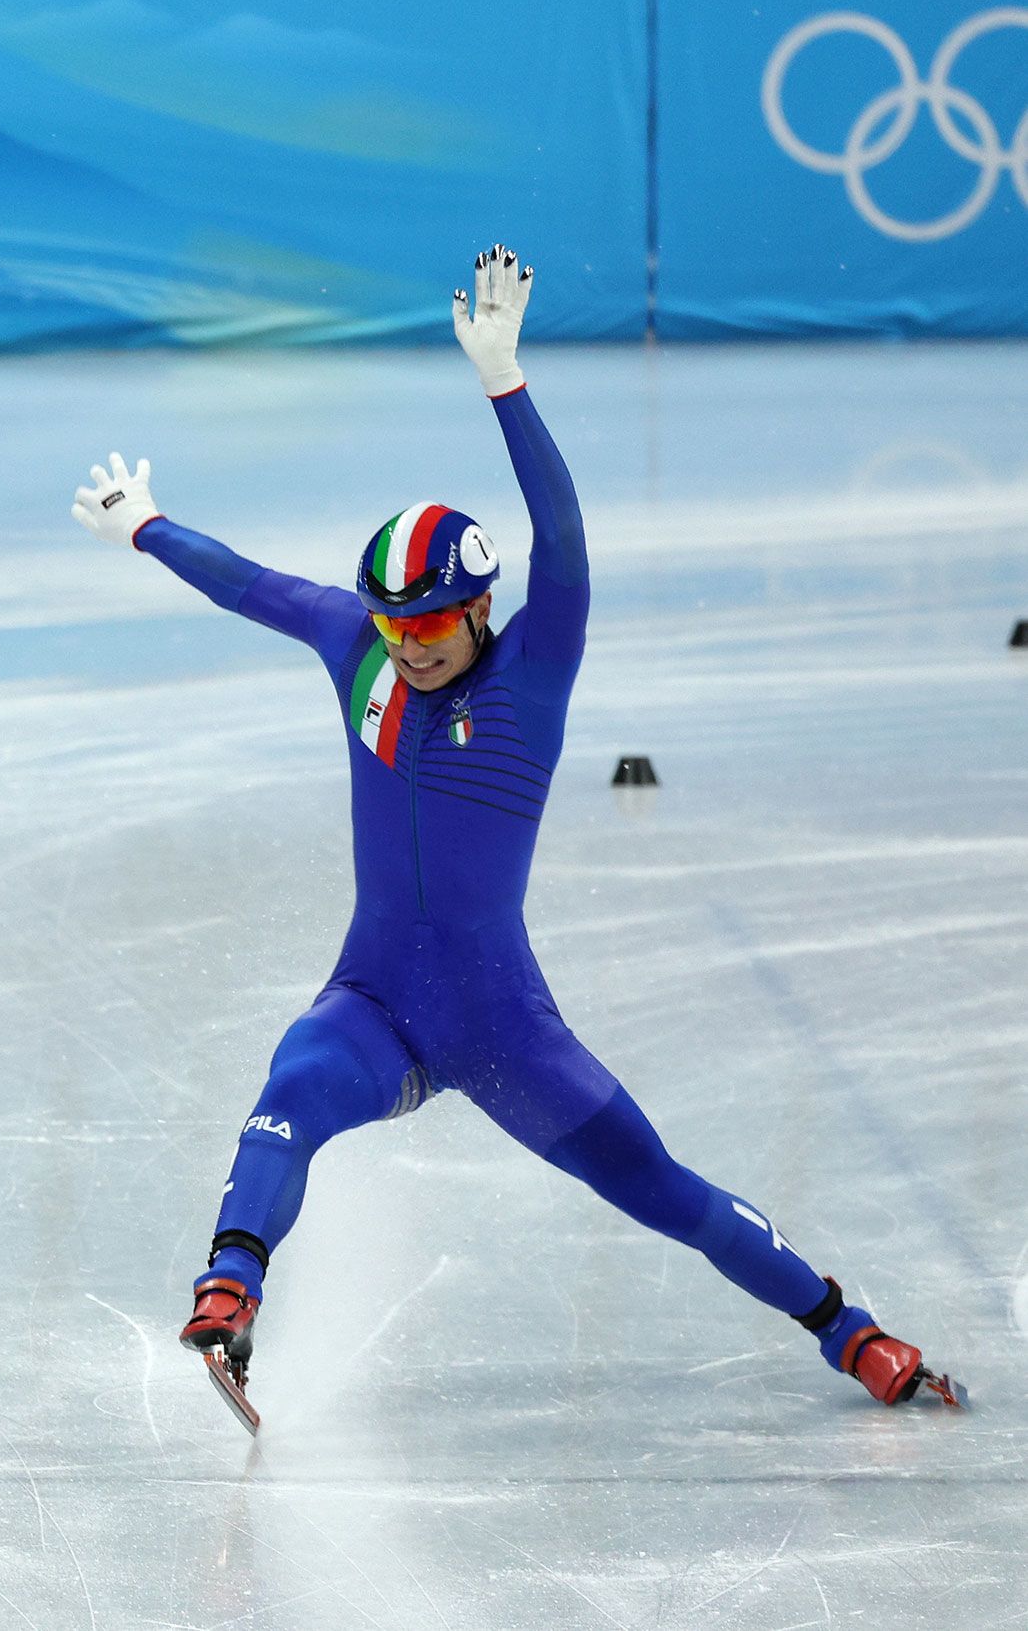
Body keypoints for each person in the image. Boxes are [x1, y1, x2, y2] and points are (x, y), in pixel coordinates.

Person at [68, 249, 961, 1422]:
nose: (409, 643)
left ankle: (850, 1329)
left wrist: (506, 384)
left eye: (431, 621)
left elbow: (566, 538)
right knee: (287, 1088)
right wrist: (147, 527)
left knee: (661, 1190)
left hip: (500, 1028)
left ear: (480, 605)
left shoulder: (533, 671)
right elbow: (250, 584)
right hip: (374, 1000)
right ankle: (230, 1289)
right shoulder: (355, 648)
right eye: (393, 622)